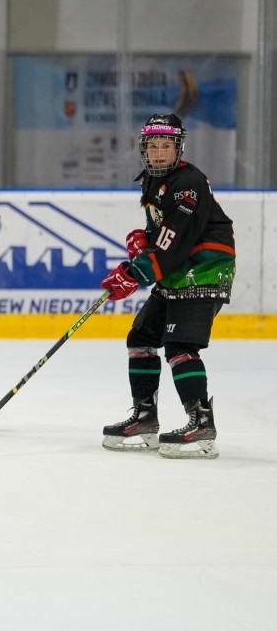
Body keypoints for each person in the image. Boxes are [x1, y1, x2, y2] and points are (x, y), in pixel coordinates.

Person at [100, 113, 235, 459]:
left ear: (178, 148)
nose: (159, 153)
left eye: (166, 146)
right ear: (144, 149)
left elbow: (174, 241)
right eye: (153, 146)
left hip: (204, 269)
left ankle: (201, 422)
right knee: (142, 337)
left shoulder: (188, 183)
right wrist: (144, 241)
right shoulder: (153, 180)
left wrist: (134, 272)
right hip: (180, 269)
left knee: (179, 346)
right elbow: (163, 234)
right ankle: (145, 416)